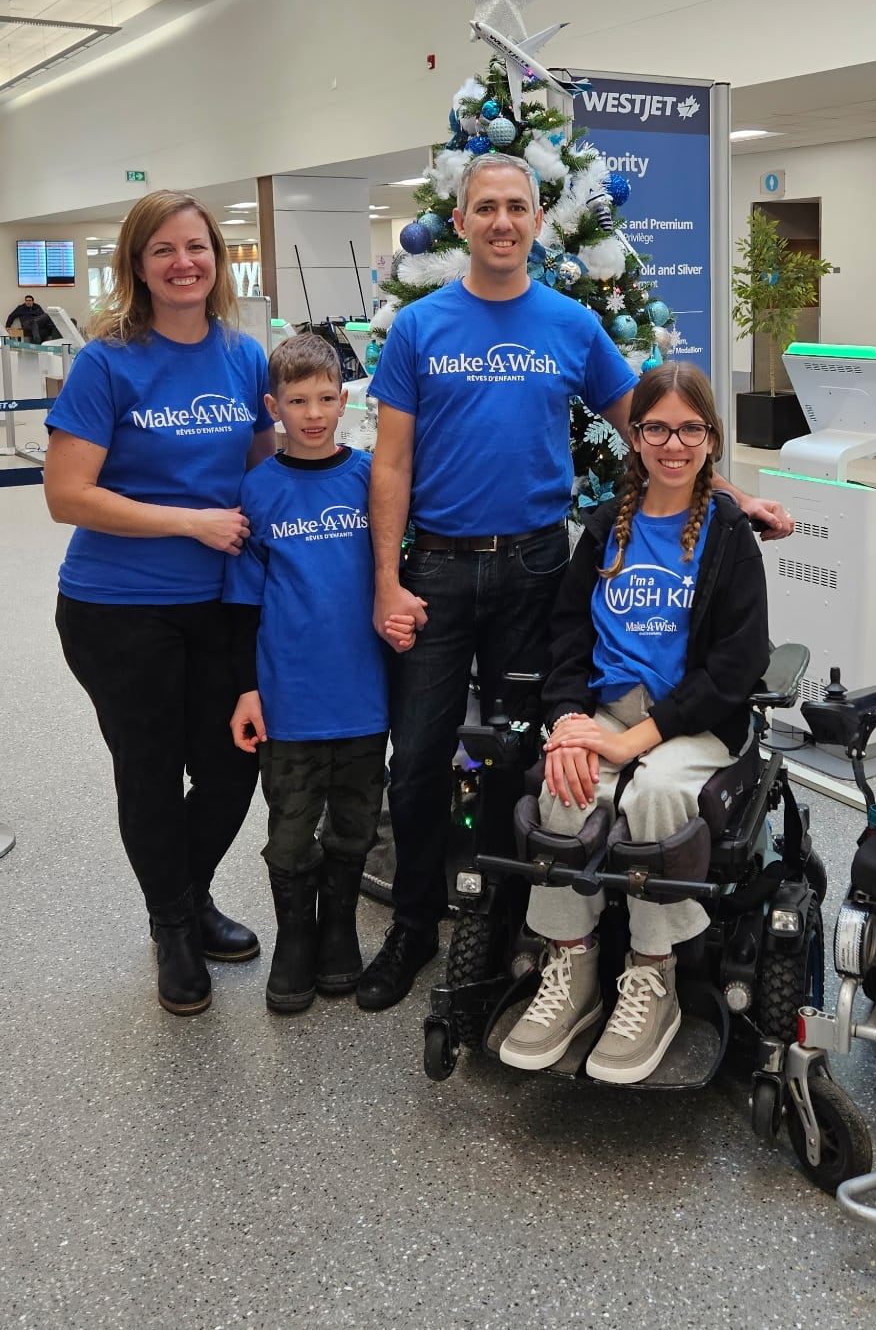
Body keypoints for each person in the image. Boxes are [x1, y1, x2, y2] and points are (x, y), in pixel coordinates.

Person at [364, 150, 794, 1011]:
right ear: (461, 221)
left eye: (516, 207)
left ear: (536, 219)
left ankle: (533, 925)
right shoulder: (419, 328)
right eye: (484, 207)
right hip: (439, 568)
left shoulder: (569, 323)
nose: (501, 222)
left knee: (535, 754)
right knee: (416, 759)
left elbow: (657, 426)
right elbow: (393, 460)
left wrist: (731, 495)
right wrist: (386, 582)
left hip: (534, 564)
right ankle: (416, 924)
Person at [498, 361, 769, 1082]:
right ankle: (574, 966)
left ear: (711, 439)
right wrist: (566, 722)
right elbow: (566, 642)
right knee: (565, 782)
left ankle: (654, 976)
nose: (672, 444)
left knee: (653, 794)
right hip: (605, 709)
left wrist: (631, 740)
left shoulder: (728, 533)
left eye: (689, 429)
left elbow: (735, 669)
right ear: (635, 436)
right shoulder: (603, 528)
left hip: (694, 721)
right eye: (656, 428)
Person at [44, 189, 275, 1017]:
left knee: (230, 762)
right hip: (117, 606)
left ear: (218, 259)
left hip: (218, 603)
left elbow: (262, 468)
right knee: (147, 772)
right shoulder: (109, 361)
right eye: (163, 251)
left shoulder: (245, 357)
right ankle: (173, 924)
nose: (184, 263)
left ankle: (192, 891)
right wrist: (190, 521)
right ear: (137, 267)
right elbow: (67, 495)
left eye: (198, 248)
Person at [224, 333, 416, 1012]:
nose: (313, 412)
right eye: (298, 400)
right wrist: (247, 686)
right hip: (289, 698)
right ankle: (295, 939)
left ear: (344, 400)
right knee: (289, 827)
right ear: (274, 405)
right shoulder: (259, 488)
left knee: (356, 822)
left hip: (364, 694)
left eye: (326, 398)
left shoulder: (369, 478)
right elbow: (244, 604)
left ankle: (338, 932)